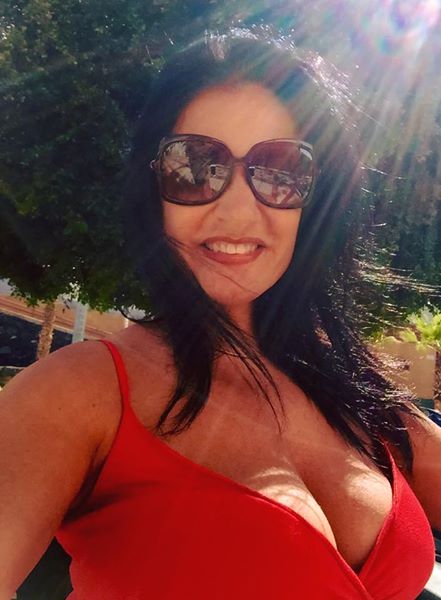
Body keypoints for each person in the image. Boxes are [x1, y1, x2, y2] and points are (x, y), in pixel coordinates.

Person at [1, 29, 440, 600]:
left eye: (281, 169)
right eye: (195, 165)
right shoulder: (77, 394)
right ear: (154, 188)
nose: (236, 209)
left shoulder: (359, 392)